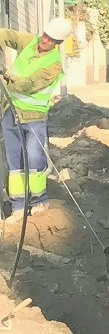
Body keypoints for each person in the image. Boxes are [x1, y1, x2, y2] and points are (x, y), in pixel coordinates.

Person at [0, 18, 72, 222]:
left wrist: (5, 74)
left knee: (33, 158)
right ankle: (18, 206)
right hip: (10, 112)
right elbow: (8, 35)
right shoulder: (31, 42)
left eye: (51, 39)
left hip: (33, 117)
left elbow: (29, 85)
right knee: (14, 161)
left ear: (58, 43)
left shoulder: (54, 65)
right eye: (45, 35)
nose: (45, 40)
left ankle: (39, 200)